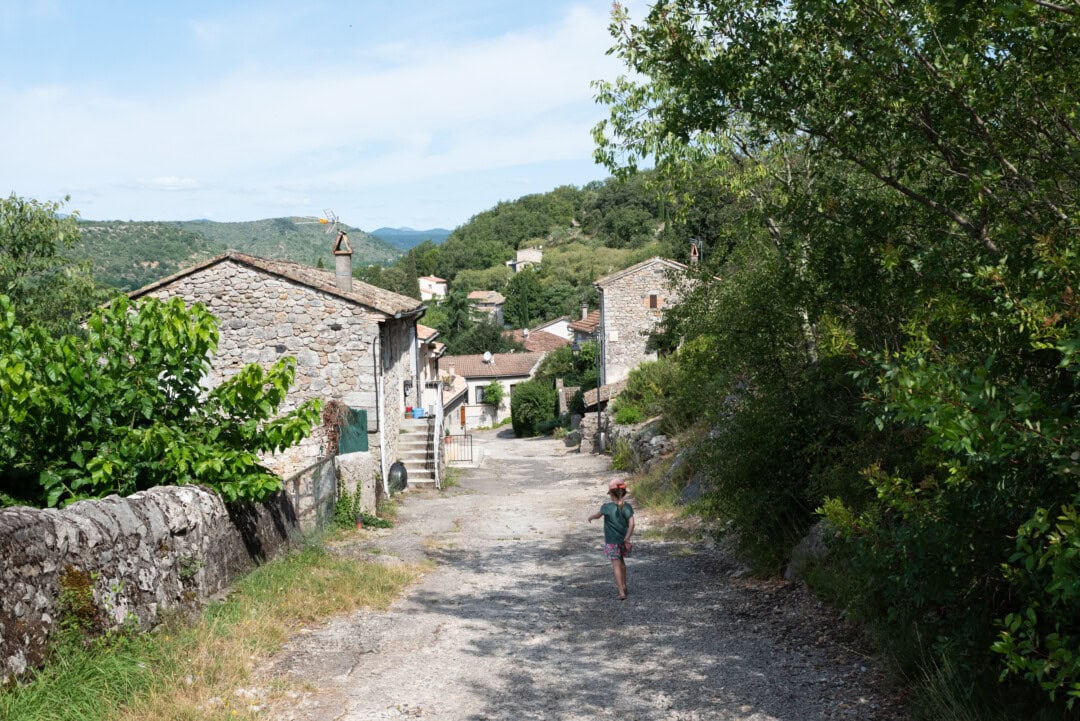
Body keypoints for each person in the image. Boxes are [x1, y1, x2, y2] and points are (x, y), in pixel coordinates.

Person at [588, 479, 635, 600]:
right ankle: (624, 586)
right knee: (622, 563)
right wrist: (627, 537)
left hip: (612, 542)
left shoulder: (606, 507)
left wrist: (591, 517)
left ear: (611, 494)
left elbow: (598, 516)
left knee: (616, 566)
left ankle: (621, 592)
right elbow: (632, 524)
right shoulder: (627, 507)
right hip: (623, 541)